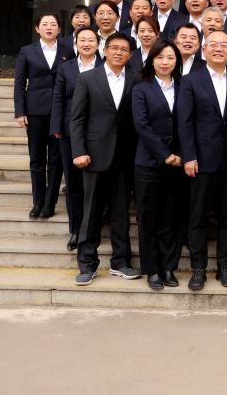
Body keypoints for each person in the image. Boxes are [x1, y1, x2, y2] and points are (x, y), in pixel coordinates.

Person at [70, 32, 139, 285]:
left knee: (121, 212)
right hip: (94, 155)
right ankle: (87, 264)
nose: (119, 52)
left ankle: (121, 262)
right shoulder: (88, 78)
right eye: (114, 48)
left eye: (124, 49)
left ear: (130, 55)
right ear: (105, 50)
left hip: (125, 156)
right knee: (91, 212)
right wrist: (79, 151)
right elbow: (77, 118)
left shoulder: (136, 79)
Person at [177, 30, 227, 291]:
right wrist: (189, 156)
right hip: (201, 160)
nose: (218, 49)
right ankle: (198, 268)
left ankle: (225, 266)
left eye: (224, 45)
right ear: (204, 51)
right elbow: (185, 122)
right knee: (198, 217)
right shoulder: (191, 80)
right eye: (213, 45)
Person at [131, 40, 184, 290]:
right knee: (149, 217)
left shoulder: (184, 86)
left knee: (171, 217)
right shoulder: (141, 88)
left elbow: (189, 123)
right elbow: (142, 126)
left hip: (178, 163)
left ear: (177, 62)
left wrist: (180, 154)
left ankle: (169, 266)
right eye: (160, 57)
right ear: (152, 60)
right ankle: (152, 269)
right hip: (149, 163)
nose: (165, 62)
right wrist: (165, 154)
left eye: (171, 58)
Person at [15, 13, 68, 220]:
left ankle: (50, 202)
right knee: (37, 159)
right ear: (37, 29)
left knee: (56, 159)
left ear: (59, 29)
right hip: (35, 111)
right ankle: (37, 201)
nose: (49, 27)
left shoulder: (67, 50)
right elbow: (20, 83)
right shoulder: (27, 51)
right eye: (44, 24)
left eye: (53, 24)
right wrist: (20, 111)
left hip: (59, 112)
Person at [51, 27, 101, 251]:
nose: (87, 44)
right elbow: (58, 98)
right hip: (70, 131)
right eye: (82, 40)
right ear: (75, 44)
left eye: (91, 40)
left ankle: (92, 229)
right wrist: (56, 126)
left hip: (98, 132)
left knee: (95, 185)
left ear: (98, 44)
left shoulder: (104, 67)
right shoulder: (66, 67)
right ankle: (75, 230)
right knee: (73, 184)